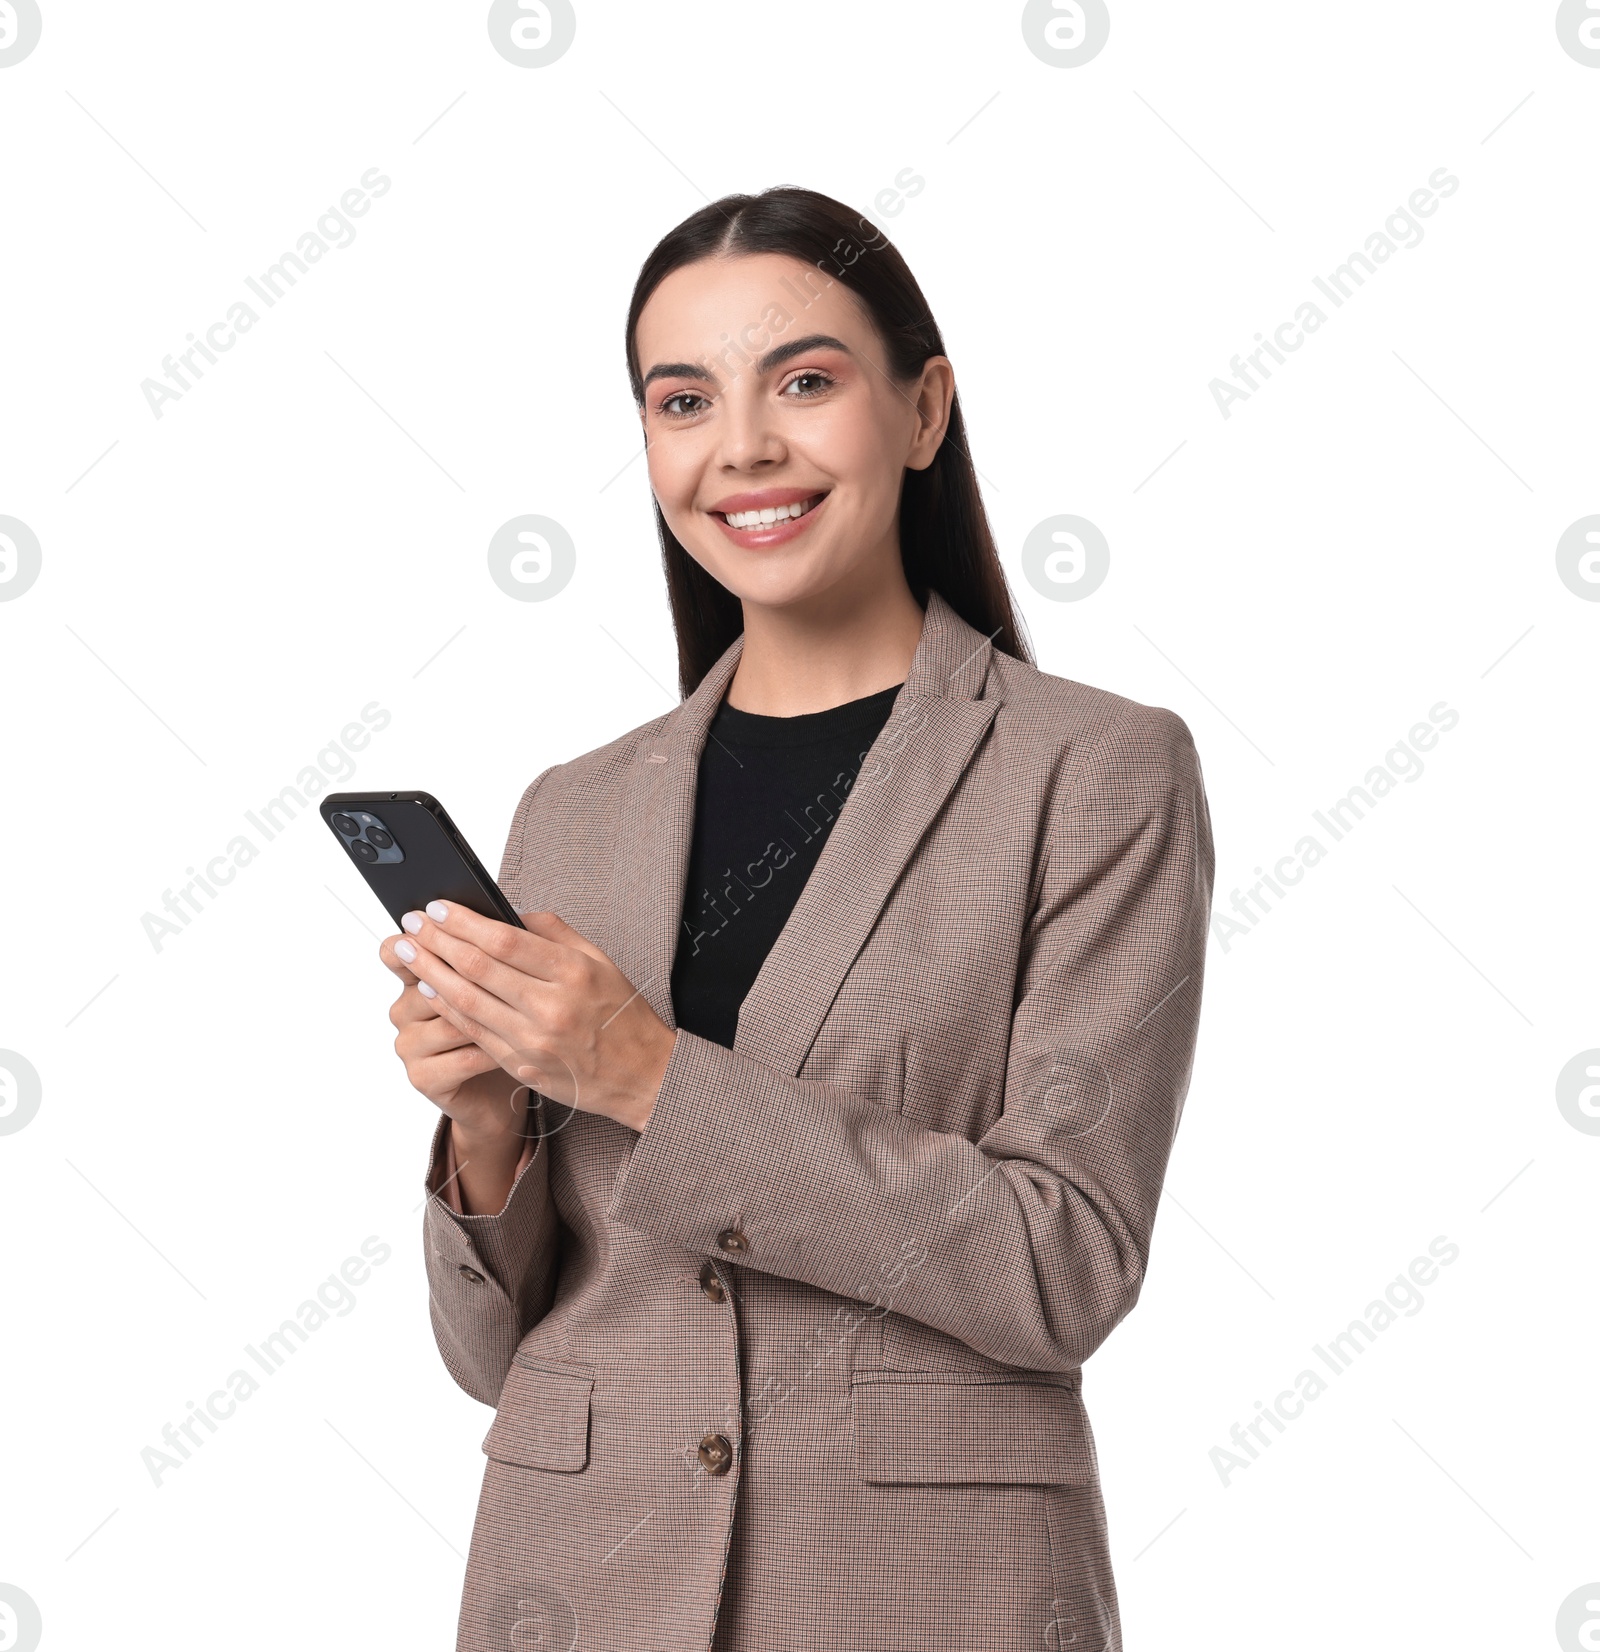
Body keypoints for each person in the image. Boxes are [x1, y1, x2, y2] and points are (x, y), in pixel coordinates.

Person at [381, 186, 1215, 1652]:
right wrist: (490, 1130)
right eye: (684, 399)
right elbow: (495, 1358)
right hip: (576, 1584)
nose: (744, 446)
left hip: (918, 1592)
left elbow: (1064, 1262)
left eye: (807, 382)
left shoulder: (1096, 771)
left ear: (922, 410)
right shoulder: (567, 809)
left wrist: (642, 1073)